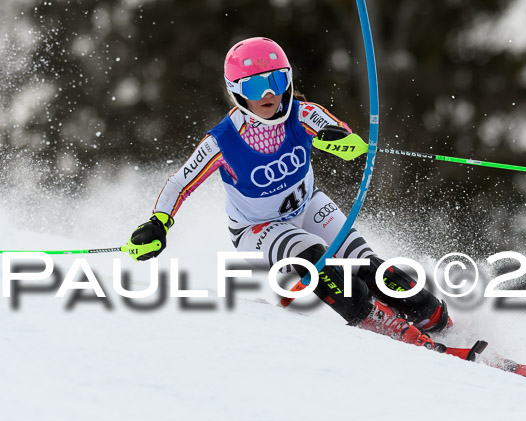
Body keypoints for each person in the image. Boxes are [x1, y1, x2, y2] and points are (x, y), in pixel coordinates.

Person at [128, 37, 454, 351]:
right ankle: (374, 320)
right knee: (313, 254)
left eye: (277, 79)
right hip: (258, 229)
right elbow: (179, 183)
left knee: (366, 265)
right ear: (236, 92)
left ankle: (439, 321)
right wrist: (158, 223)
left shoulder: (300, 113)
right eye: (256, 86)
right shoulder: (222, 141)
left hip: (309, 205)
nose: (269, 92)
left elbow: (333, 129)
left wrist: (341, 141)